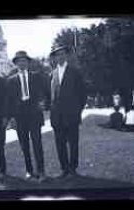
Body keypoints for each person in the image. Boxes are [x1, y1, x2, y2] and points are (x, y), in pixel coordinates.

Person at [6, 51, 46, 183]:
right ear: (16, 64)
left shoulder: (36, 76)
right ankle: (29, 170)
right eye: (19, 61)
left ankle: (41, 171)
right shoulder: (10, 81)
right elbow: (9, 101)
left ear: (28, 62)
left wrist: (42, 101)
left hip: (34, 114)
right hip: (19, 116)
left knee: (37, 144)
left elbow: (43, 92)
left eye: (24, 60)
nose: (22, 63)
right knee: (24, 145)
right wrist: (11, 118)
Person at [50, 46, 87, 177]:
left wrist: (78, 110)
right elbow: (53, 95)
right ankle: (64, 169)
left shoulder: (75, 72)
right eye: (57, 55)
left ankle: (73, 169)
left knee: (73, 144)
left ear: (66, 56)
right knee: (60, 144)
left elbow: (83, 94)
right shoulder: (53, 73)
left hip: (72, 115)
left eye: (62, 54)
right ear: (54, 58)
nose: (60, 57)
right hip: (57, 116)